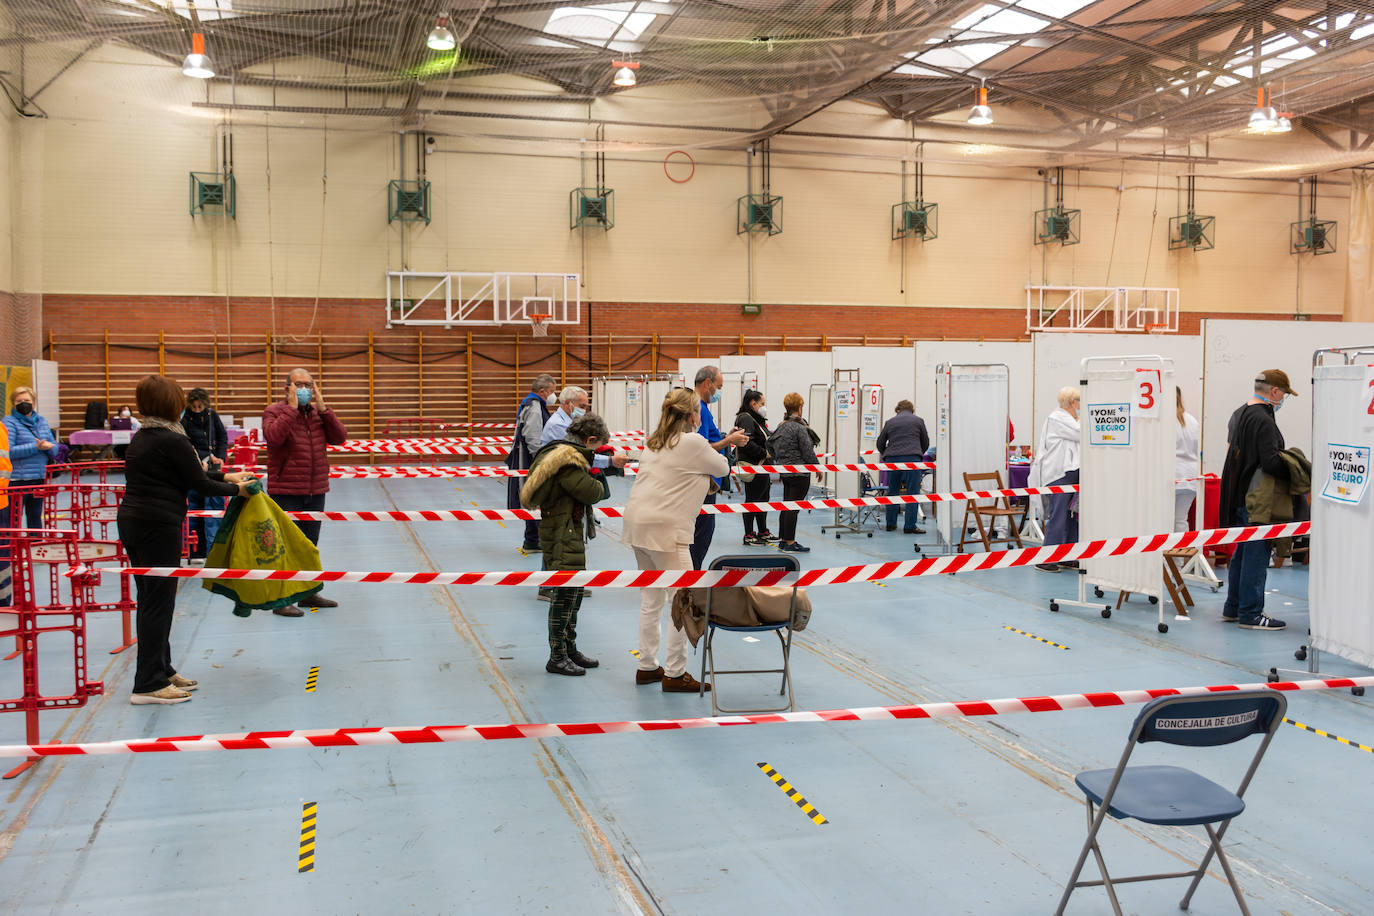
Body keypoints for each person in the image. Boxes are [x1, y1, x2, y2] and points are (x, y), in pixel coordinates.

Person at [117, 374, 252, 704]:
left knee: (153, 600)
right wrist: (238, 490)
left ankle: (161, 668)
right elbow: (199, 485)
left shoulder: (147, 435)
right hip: (155, 527)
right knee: (157, 602)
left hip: (137, 523)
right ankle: (148, 683)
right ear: (170, 403)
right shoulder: (170, 439)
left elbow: (188, 473)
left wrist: (226, 475)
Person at [622, 388, 727, 693]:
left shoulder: (656, 442)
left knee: (651, 599)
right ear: (693, 414)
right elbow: (722, 468)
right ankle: (676, 672)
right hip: (667, 530)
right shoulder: (693, 441)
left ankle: (647, 666)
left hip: (638, 527)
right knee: (681, 602)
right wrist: (704, 479)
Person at [521, 413, 612, 676]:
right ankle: (557, 656)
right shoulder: (568, 461)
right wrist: (597, 473)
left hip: (566, 529)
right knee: (563, 596)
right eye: (595, 447)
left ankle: (569, 649)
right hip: (562, 531)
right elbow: (594, 492)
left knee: (573, 594)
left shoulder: (565, 453)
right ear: (590, 439)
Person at [263, 368, 347, 617]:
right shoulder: (273, 411)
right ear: (286, 387)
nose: (303, 389)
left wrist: (324, 408)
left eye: (308, 385)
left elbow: (340, 438)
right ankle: (281, 599)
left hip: (315, 489)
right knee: (286, 546)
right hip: (286, 489)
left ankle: (308, 592)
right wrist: (290, 409)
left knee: (310, 546)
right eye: (298, 384)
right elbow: (274, 437)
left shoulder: (318, 414)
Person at [1219, 370, 1295, 631]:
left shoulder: (1241, 413)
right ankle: (1251, 613)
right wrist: (1296, 467)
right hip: (1257, 498)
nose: (1284, 398)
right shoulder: (1263, 419)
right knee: (1256, 554)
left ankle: (1234, 606)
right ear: (1274, 391)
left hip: (1239, 495)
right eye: (1284, 393)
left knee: (1243, 551)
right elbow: (1271, 462)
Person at [687, 367, 749, 568]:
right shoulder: (698, 408)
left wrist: (724, 437)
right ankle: (692, 578)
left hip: (707, 481)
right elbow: (701, 447)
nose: (719, 392)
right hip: (703, 481)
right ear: (708, 383)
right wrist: (729, 440)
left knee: (702, 531)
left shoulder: (701, 407)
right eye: (719, 387)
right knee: (702, 532)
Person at [1029, 386, 1081, 572]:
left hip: (1070, 474)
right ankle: (1046, 559)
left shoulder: (1069, 419)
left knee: (1072, 516)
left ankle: (1067, 556)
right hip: (1058, 475)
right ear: (1073, 402)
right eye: (1079, 401)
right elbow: (1081, 433)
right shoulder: (1058, 418)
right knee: (1058, 516)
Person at [766, 392, 820, 553]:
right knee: (793, 508)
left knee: (787, 506)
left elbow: (769, 443)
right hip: (800, 473)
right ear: (799, 407)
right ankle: (789, 542)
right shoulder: (799, 427)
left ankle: (783, 540)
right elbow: (807, 451)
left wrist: (779, 459)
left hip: (785, 472)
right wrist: (817, 467)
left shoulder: (782, 425)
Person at [510, 373, 557, 552]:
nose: (554, 395)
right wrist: (541, 461)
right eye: (552, 391)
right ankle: (532, 540)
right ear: (542, 391)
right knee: (532, 497)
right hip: (531, 459)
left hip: (530, 457)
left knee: (533, 497)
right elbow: (533, 436)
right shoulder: (535, 407)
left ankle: (533, 539)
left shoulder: (532, 404)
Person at [183, 388, 229, 562]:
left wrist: (220, 457)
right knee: (194, 511)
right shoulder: (185, 419)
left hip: (213, 467)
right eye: (193, 407)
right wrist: (197, 459)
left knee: (214, 511)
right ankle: (197, 552)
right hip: (194, 468)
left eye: (199, 406)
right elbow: (185, 443)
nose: (196, 410)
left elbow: (222, 438)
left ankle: (214, 553)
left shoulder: (212, 415)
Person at [4, 387, 56, 529]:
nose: (23, 403)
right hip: (17, 481)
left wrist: (50, 447)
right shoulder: (9, 423)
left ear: (33, 403)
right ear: (13, 404)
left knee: (35, 518)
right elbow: (8, 451)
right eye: (19, 401)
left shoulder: (42, 422)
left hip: (39, 478)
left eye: (26, 400)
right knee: (13, 519)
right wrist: (36, 448)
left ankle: (35, 547)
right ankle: (13, 550)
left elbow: (54, 447)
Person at [876, 399, 930, 534]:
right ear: (912, 409)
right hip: (912, 458)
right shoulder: (918, 421)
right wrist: (917, 453)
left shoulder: (890, 422)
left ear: (897, 409)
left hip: (892, 459)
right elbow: (925, 442)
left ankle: (891, 524)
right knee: (912, 492)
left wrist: (887, 454)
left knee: (893, 491)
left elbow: (880, 443)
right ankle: (910, 526)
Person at [734, 388, 775, 545]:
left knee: (763, 499)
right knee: (752, 500)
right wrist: (764, 453)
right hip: (753, 465)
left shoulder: (756, 419)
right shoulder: (745, 418)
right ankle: (749, 534)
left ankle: (762, 531)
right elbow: (745, 443)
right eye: (762, 403)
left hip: (762, 467)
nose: (764, 406)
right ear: (753, 403)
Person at [1174, 387, 1201, 533]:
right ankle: (1178, 556)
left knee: (1164, 519)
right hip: (1190, 476)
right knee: (1180, 519)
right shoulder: (1192, 420)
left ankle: (1166, 556)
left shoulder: (1166, 422)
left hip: (1172, 476)